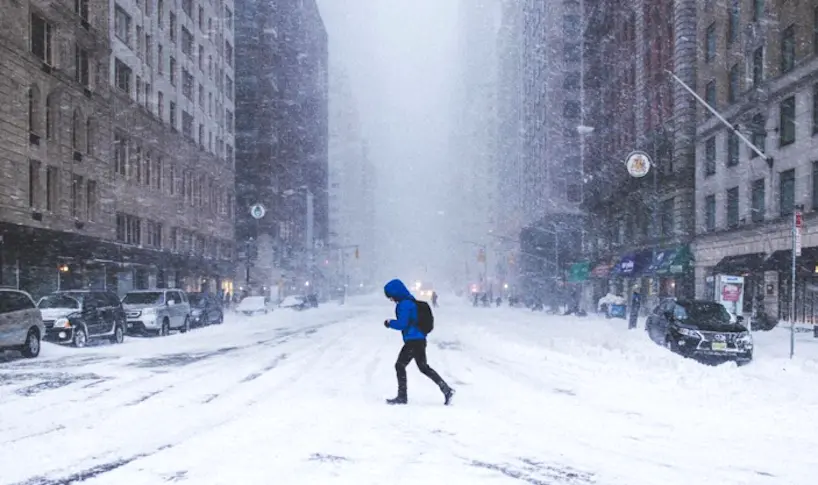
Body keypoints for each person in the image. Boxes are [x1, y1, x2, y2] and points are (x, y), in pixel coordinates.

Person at [383, 279, 454, 406]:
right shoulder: (411, 302)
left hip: (413, 341)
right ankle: (446, 390)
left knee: (400, 365)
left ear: (396, 293)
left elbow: (402, 324)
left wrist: (389, 323)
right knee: (423, 367)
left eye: (391, 296)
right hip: (419, 339)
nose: (391, 299)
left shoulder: (404, 305)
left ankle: (402, 396)